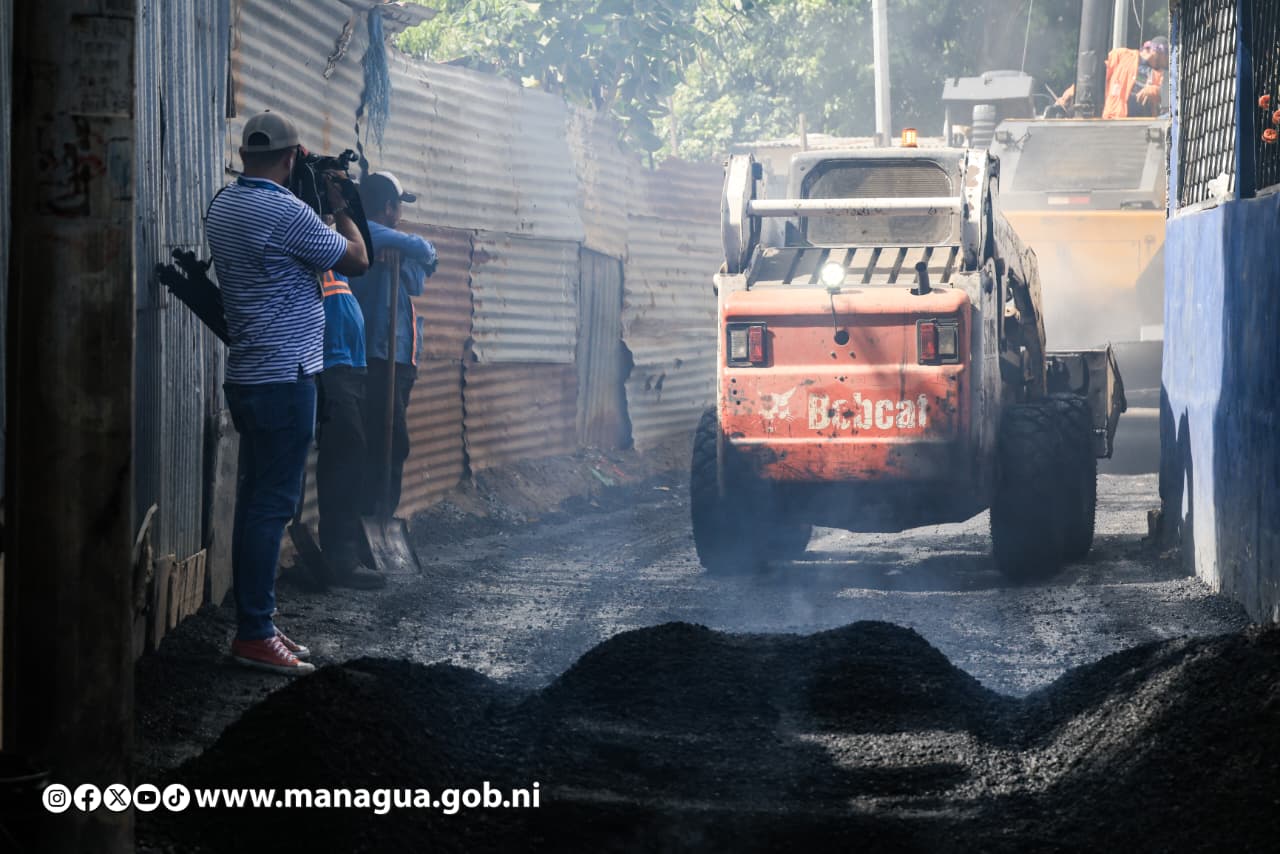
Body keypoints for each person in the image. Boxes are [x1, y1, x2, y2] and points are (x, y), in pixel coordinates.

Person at [205, 110, 369, 675]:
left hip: (248, 375)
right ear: (293, 156)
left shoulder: (223, 206)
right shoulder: (287, 211)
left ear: (245, 154)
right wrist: (340, 206)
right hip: (286, 378)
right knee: (272, 507)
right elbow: (357, 258)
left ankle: (258, 623)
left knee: (255, 504)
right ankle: (254, 633)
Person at [349, 172, 437, 518]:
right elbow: (423, 250)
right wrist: (413, 247)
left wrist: (405, 251)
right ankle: (374, 518)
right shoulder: (362, 233)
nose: (400, 213)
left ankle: (378, 516)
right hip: (377, 355)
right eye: (399, 206)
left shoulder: (391, 243)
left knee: (390, 441)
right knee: (390, 441)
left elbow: (417, 281)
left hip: (400, 356)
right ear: (388, 207)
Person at [316, 263, 386, 589]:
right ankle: (340, 559)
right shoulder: (312, 241)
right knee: (344, 458)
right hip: (329, 363)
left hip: (350, 364)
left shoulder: (336, 256)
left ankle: (347, 551)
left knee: (350, 458)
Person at [1055, 36, 1168, 119]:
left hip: (1141, 126)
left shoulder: (1160, 75)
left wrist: (1154, 90)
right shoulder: (1122, 55)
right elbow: (1095, 76)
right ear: (1158, 51)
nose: (1168, 62)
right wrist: (1068, 96)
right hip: (1113, 119)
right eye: (1167, 57)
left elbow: (1166, 95)